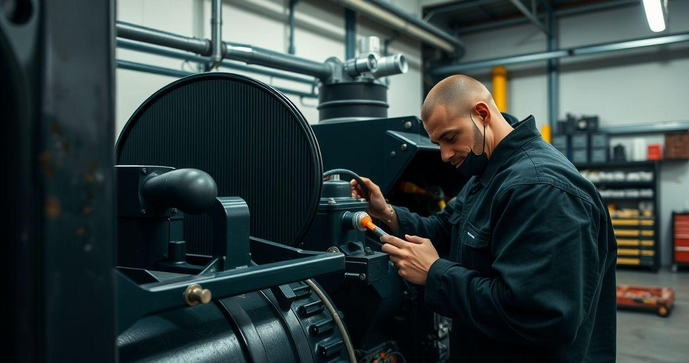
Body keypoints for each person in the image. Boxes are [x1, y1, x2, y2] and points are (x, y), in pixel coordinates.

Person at [351, 75, 617, 362]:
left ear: (482, 113)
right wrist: (386, 212)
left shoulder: (540, 189)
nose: (444, 154)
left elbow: (540, 314)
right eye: (437, 142)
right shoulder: (487, 173)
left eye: (451, 138)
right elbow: (444, 229)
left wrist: (434, 273)